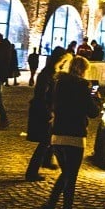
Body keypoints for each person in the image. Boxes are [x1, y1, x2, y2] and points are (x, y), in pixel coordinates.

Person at [40, 55, 99, 209]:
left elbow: (48, 102)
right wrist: (96, 97)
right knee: (70, 178)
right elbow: (93, 112)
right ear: (82, 70)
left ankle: (49, 208)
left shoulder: (58, 82)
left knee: (66, 173)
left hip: (57, 134)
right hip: (74, 135)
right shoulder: (82, 86)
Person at [25, 47, 71, 181]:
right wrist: (49, 112)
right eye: (63, 61)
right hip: (43, 111)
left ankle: (46, 160)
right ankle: (31, 172)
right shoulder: (47, 74)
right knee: (45, 141)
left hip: (47, 109)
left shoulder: (52, 73)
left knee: (50, 138)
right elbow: (41, 95)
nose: (64, 65)